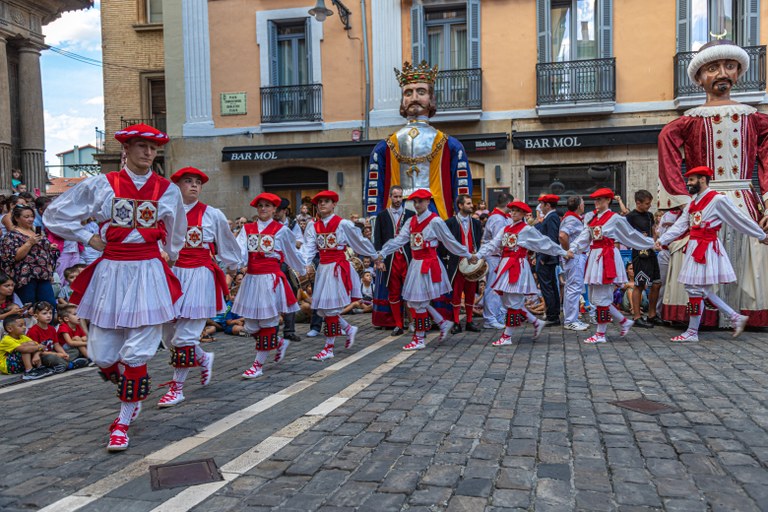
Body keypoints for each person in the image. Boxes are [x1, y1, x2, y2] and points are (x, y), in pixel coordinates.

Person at [43, 123, 186, 452]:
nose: (148, 152)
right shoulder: (102, 184)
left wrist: (171, 255)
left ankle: (122, 421)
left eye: (152, 148)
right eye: (141, 146)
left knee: (137, 350)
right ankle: (131, 388)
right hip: (112, 270)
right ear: (126, 149)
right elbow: (55, 215)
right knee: (102, 353)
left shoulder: (167, 190)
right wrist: (88, 237)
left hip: (148, 270)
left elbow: (177, 228)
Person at [658, 38, 768, 328]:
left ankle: (743, 313)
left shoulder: (755, 119)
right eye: (712, 68)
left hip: (745, 199)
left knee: (751, 249)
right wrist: (683, 201)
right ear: (699, 77)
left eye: (729, 66)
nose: (722, 73)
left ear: (738, 73)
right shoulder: (688, 121)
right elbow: (666, 145)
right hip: (703, 204)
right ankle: (706, 317)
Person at [157, 167, 241, 408]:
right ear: (177, 186)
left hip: (200, 275)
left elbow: (226, 241)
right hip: (172, 274)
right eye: (188, 181)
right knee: (169, 335)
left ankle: (177, 388)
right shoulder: (165, 211)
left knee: (185, 336)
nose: (194, 185)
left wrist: (233, 267)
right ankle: (203, 357)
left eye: (198, 182)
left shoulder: (212, 214)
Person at [657, 166, 768, 342]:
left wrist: (760, 235)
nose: (688, 183)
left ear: (703, 179)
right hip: (695, 247)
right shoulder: (693, 202)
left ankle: (692, 332)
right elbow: (681, 225)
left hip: (706, 247)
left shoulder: (717, 199)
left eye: (692, 179)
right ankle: (734, 317)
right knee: (702, 289)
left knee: (694, 288)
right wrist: (662, 240)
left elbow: (738, 218)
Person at [365, 60, 471, 219]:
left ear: (431, 98)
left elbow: (461, 188)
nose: (414, 97)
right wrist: (374, 219)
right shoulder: (384, 148)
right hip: (395, 216)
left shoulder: (451, 145)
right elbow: (374, 190)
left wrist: (461, 220)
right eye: (408, 93)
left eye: (421, 92)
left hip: (436, 213)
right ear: (402, 100)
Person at [377, 189, 472, 351]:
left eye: (420, 201)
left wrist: (467, 254)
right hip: (416, 264)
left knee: (418, 302)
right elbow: (399, 240)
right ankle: (442, 322)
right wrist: (382, 253)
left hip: (428, 264)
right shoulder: (411, 221)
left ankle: (420, 338)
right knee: (417, 301)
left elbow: (449, 241)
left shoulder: (435, 221)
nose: (417, 204)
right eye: (414, 202)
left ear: (428, 202)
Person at [471, 201, 570, 346]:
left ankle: (507, 336)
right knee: (508, 301)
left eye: (517, 211)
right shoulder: (506, 228)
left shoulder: (526, 229)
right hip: (506, 266)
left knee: (513, 302)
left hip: (517, 267)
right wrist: (478, 255)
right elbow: (493, 244)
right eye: (512, 210)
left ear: (523, 213)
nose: (513, 213)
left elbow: (544, 243)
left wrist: (563, 252)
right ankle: (535, 322)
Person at [234, 193, 306, 377]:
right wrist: (234, 264)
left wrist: (302, 268)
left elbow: (291, 252)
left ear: (274, 209)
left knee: (267, 322)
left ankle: (257, 365)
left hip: (270, 280)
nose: (263, 208)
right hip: (252, 279)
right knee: (250, 326)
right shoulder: (248, 228)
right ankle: (279, 342)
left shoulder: (281, 230)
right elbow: (240, 250)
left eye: (267, 205)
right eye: (260, 205)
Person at [571, 188, 655, 344]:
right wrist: (571, 249)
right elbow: (584, 237)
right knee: (597, 298)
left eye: (600, 199)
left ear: (608, 200)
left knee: (602, 297)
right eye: (595, 200)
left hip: (607, 257)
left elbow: (630, 234)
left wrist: (650, 243)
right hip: (596, 256)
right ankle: (624, 321)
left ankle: (600, 334)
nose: (596, 202)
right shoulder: (593, 218)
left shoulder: (615, 218)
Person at [302, 191, 377, 361]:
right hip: (323, 269)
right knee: (323, 309)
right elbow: (308, 248)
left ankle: (328, 348)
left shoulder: (343, 224)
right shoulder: (313, 226)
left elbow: (359, 241)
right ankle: (349, 329)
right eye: (320, 202)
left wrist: (375, 256)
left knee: (329, 309)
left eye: (326, 201)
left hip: (337, 269)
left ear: (334, 204)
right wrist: (305, 264)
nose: (322, 204)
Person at [372, 186, 414, 335]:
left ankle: (412, 322)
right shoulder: (382, 216)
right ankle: (398, 324)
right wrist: (379, 260)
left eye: (400, 196)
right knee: (394, 292)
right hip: (390, 259)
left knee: (410, 292)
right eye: (395, 196)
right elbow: (378, 239)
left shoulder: (410, 215)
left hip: (407, 258)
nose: (398, 200)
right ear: (390, 197)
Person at [0, 204, 59, 309]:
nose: (30, 219)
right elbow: (15, 257)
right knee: (29, 306)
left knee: (50, 304)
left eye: (32, 216)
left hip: (43, 274)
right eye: (26, 217)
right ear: (17, 218)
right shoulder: (11, 235)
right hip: (25, 277)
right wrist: (29, 243)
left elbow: (44, 253)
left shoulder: (36, 232)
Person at [442, 194, 483, 333]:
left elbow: (478, 242)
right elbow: (444, 244)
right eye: (468, 203)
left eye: (471, 203)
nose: (471, 206)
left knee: (470, 294)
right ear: (460, 205)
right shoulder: (449, 223)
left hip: (472, 264)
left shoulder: (476, 223)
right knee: (456, 294)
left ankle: (469, 321)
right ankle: (456, 322)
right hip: (456, 264)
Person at [624, 190, 662, 327]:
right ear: (638, 203)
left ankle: (652, 315)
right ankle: (637, 316)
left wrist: (655, 239)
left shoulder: (650, 215)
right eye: (647, 203)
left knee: (656, 283)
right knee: (639, 284)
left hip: (651, 252)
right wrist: (639, 237)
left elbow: (652, 232)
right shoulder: (630, 217)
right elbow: (626, 235)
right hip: (639, 254)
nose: (649, 206)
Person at [27, 301, 88, 372]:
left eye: (50, 313)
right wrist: (57, 354)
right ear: (36, 316)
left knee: (74, 352)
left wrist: (63, 353)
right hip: (42, 355)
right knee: (51, 358)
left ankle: (62, 364)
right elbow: (36, 351)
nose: (49, 316)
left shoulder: (52, 329)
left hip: (53, 352)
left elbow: (56, 345)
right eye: (45, 313)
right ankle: (70, 365)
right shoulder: (33, 331)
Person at [481, 193, 512, 329]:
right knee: (493, 287)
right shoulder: (497, 218)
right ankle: (490, 318)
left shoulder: (501, 217)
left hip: (498, 256)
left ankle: (498, 315)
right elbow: (499, 241)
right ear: (508, 204)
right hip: (493, 256)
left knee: (499, 288)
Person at [559, 195, 589, 331]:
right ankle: (571, 320)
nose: (584, 205)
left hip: (575, 256)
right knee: (574, 288)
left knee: (571, 288)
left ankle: (572, 318)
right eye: (583, 203)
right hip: (575, 256)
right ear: (578, 206)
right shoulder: (572, 219)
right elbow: (562, 235)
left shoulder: (571, 218)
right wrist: (568, 251)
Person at [275, 198, 302, 343]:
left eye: (278, 210)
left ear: (284, 211)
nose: (275, 212)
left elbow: (300, 242)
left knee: (291, 295)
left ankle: (289, 330)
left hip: (288, 263)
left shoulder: (293, 225)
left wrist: (289, 241)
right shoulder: (270, 225)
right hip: (275, 264)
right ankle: (272, 330)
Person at [534, 194, 562, 326]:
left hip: (546, 258)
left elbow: (551, 239)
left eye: (542, 204)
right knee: (551, 286)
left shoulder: (551, 217)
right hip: (548, 257)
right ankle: (553, 314)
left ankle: (552, 315)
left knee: (548, 287)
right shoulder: (551, 217)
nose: (540, 207)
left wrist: (543, 258)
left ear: (548, 205)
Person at [0, 314, 54, 380]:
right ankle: (29, 371)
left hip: (19, 364)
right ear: (10, 329)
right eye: (20, 326)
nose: (24, 327)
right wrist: (38, 347)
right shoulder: (6, 340)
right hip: (8, 366)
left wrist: (36, 355)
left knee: (31, 344)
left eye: (25, 325)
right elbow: (27, 349)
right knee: (26, 348)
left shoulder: (23, 337)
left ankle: (39, 367)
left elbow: (39, 346)